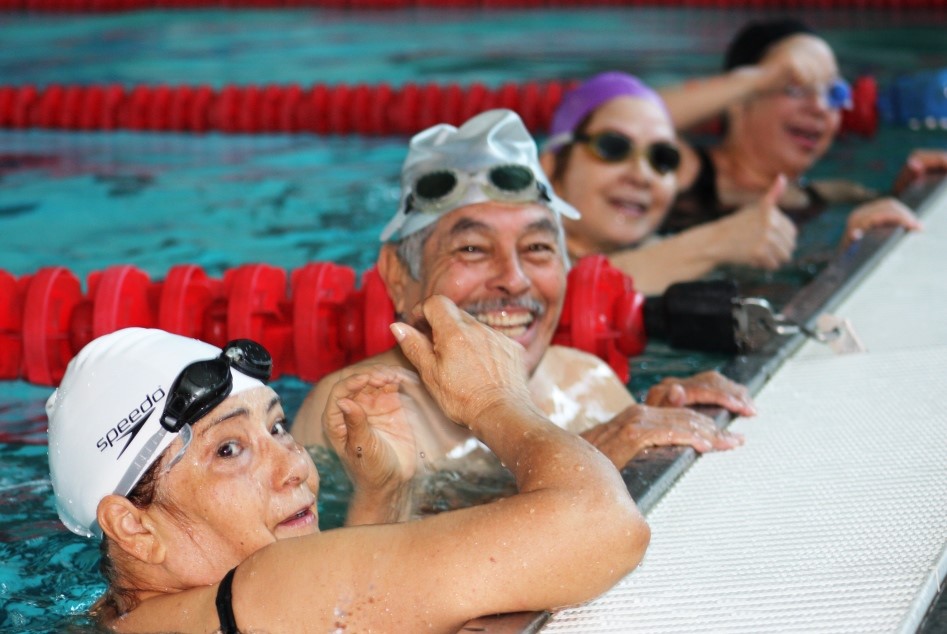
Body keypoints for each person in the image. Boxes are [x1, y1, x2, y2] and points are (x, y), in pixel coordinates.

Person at [46, 304, 650, 633]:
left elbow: (348, 610)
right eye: (229, 450)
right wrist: (497, 402)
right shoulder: (263, 592)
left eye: (277, 426)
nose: (295, 468)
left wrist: (387, 493)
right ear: (133, 527)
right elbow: (602, 530)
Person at [294, 108, 755, 473]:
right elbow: (379, 574)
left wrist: (659, 420)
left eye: (536, 247)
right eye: (472, 248)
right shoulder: (354, 412)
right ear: (397, 275)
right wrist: (585, 459)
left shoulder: (587, 380)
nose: (514, 279)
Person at [661, 17, 940, 235]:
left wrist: (910, 190)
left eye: (833, 93)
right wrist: (766, 76)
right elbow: (624, 118)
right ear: (739, 100)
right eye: (794, 88)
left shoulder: (830, 194)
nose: (820, 108)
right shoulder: (678, 170)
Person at [540, 71, 798, 294]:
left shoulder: (672, 254)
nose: (641, 175)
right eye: (613, 148)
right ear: (549, 168)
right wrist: (716, 242)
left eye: (662, 158)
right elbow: (562, 296)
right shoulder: (512, 259)